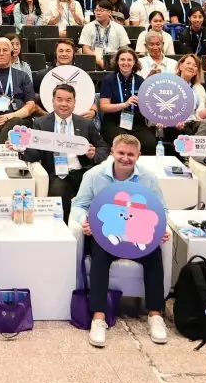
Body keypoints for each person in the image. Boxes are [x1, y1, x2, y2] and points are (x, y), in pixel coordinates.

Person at [71, 135, 169, 347]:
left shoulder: (148, 178)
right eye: (121, 153)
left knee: (154, 254)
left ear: (138, 156)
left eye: (130, 154)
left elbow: (161, 208)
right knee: (99, 254)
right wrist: (85, 220)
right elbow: (78, 205)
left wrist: (161, 227)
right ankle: (98, 316)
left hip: (137, 235)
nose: (125, 158)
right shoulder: (94, 175)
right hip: (106, 234)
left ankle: (155, 314)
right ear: (112, 153)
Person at [21, 83, 103, 218]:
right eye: (59, 99)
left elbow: (103, 147)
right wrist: (22, 148)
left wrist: (94, 154)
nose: (64, 104)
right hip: (56, 173)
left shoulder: (85, 123)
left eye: (68, 100)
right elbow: (34, 154)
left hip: (82, 172)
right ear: (53, 101)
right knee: (58, 196)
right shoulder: (41, 123)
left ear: (74, 103)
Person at [97, 48, 151, 153]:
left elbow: (145, 108)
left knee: (150, 143)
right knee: (124, 142)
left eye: (129, 60)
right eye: (122, 59)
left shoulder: (140, 81)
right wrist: (125, 104)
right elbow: (104, 107)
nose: (125, 63)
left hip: (136, 122)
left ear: (134, 62)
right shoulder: (108, 80)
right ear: (117, 61)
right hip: (114, 122)